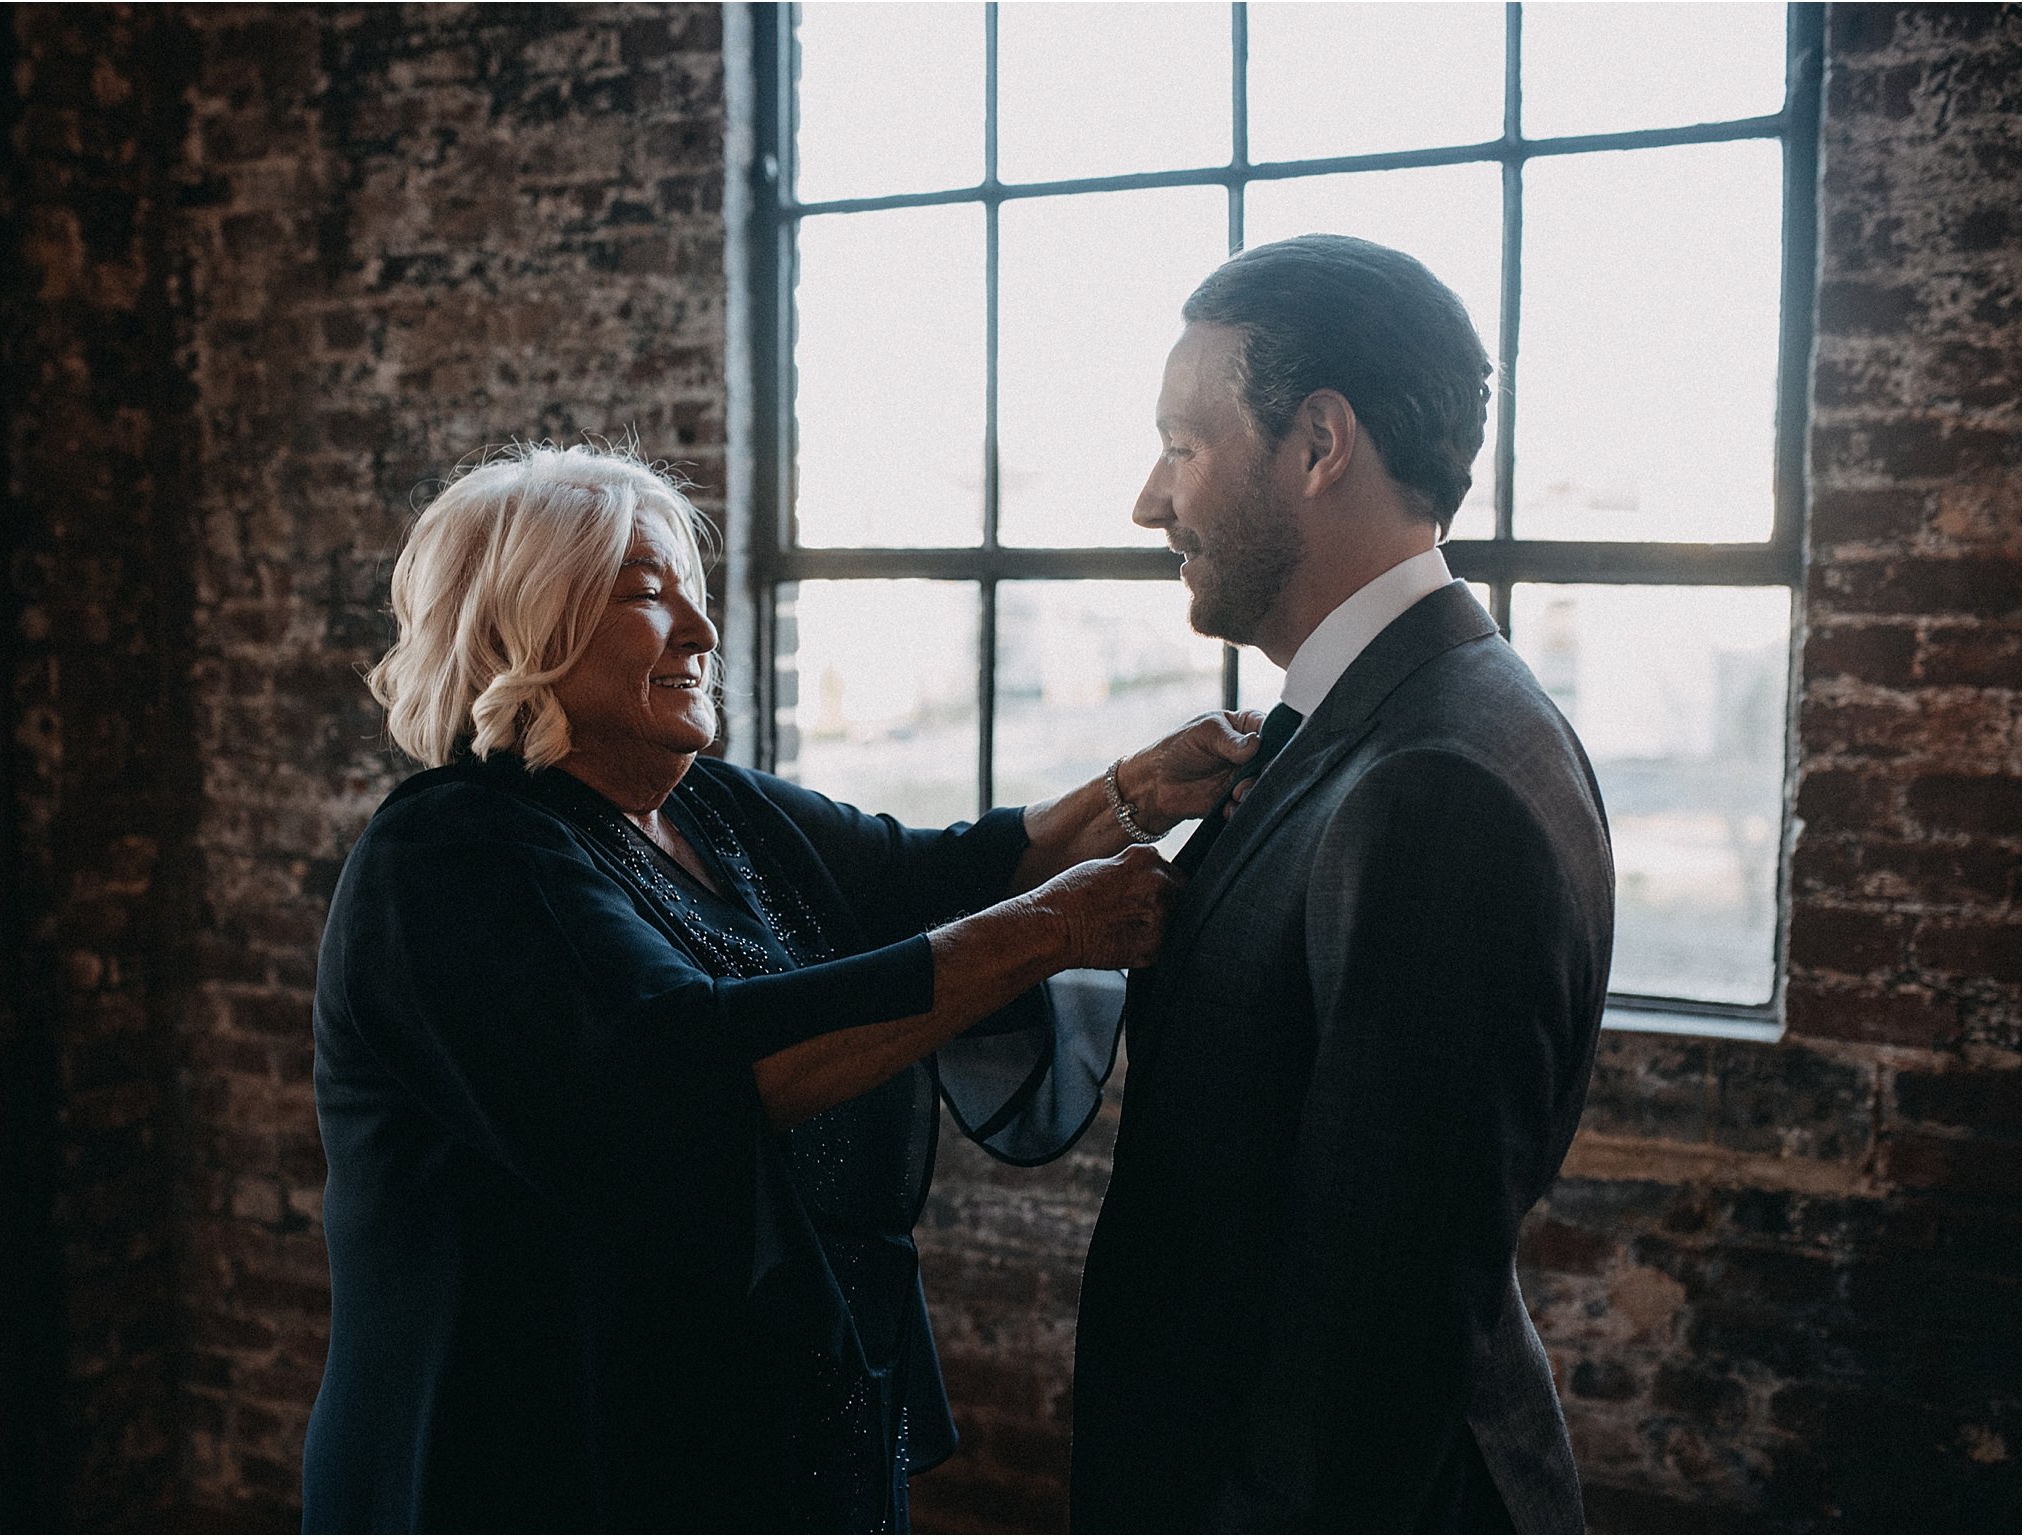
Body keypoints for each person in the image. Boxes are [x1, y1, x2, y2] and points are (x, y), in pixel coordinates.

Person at [301, 444, 1263, 1533]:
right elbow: (687, 1064)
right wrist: (1049, 931)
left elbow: (933, 874)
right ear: (516, 629)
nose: (702, 633)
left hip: (730, 1424)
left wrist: (1136, 791)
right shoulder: (447, 858)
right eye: (645, 598)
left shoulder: (710, 807)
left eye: (694, 599)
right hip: (532, 1454)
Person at [1071, 235, 1616, 1533]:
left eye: (1183, 447)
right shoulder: (1402, 711)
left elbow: (1370, 1341)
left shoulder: (1434, 787)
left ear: (1319, 443)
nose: (1151, 502)